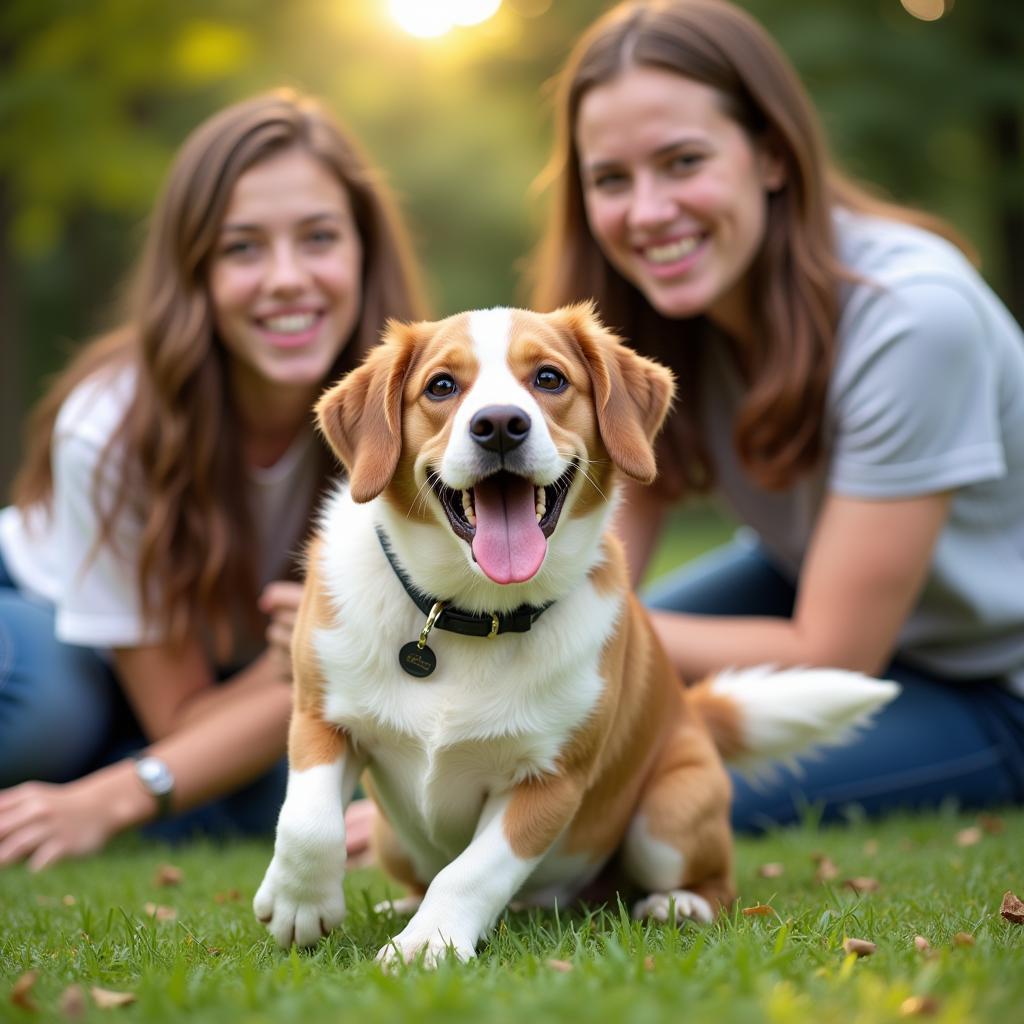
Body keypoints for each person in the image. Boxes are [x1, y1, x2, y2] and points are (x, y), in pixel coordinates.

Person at [531, 0, 1024, 831]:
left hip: (989, 678)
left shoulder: (914, 316)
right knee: (549, 712)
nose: (647, 212)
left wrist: (559, 618)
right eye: (611, 179)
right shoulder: (653, 320)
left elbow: (834, 655)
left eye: (683, 162)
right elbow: (600, 553)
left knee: (641, 798)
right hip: (805, 585)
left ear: (770, 154)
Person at [0, 89, 426, 869]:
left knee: (298, 785)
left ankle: (127, 771)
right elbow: (185, 718)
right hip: (44, 617)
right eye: (242, 248)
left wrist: (333, 646)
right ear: (192, 269)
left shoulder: (418, 408)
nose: (287, 278)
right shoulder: (111, 423)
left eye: (320, 238)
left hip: (239, 677)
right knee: (44, 714)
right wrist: (339, 644)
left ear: (365, 251)